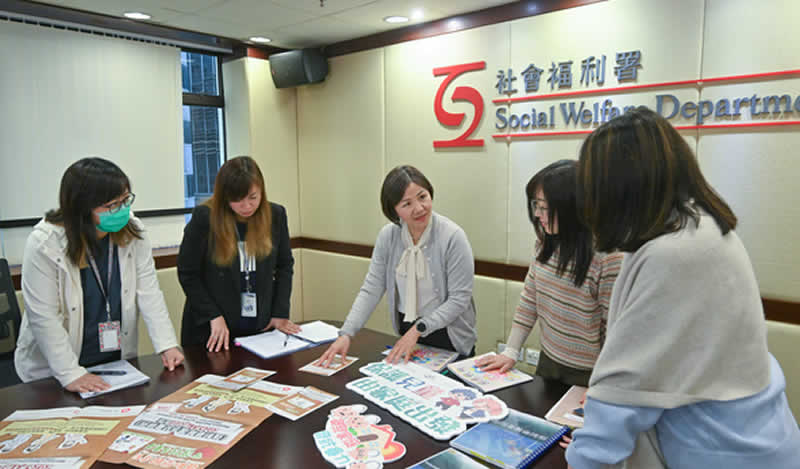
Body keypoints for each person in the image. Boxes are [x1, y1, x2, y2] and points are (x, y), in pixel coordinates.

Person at [564, 107, 800, 468]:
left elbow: (625, 386)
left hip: (721, 450)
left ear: (619, 187)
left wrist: (584, 458)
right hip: (751, 435)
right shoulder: (700, 227)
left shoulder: (675, 252)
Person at [15, 157, 183, 394]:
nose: (122, 210)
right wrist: (70, 373)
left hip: (114, 364)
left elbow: (149, 293)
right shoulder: (45, 243)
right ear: (82, 208)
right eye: (111, 205)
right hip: (55, 370)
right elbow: (44, 316)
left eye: (125, 200)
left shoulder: (133, 232)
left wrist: (167, 345)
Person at [476, 160, 623, 386]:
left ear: (572, 206)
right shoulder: (545, 243)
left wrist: (607, 384)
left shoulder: (608, 257)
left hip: (591, 373)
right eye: (536, 205)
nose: (537, 214)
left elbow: (616, 328)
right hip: (549, 361)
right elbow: (530, 299)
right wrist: (511, 351)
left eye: (544, 207)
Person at [319, 165, 477, 366]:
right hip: (408, 331)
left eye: (422, 197)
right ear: (393, 210)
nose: (419, 208)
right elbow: (372, 288)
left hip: (449, 335)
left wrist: (418, 329)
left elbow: (459, 299)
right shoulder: (388, 236)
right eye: (407, 203)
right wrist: (346, 333)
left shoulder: (453, 236)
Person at [178, 156, 299, 352]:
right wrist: (212, 315)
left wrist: (280, 312)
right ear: (224, 196)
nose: (246, 206)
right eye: (237, 199)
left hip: (261, 326)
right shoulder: (205, 217)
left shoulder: (275, 215)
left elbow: (285, 266)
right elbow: (188, 273)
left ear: (261, 191)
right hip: (213, 329)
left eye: (253, 197)